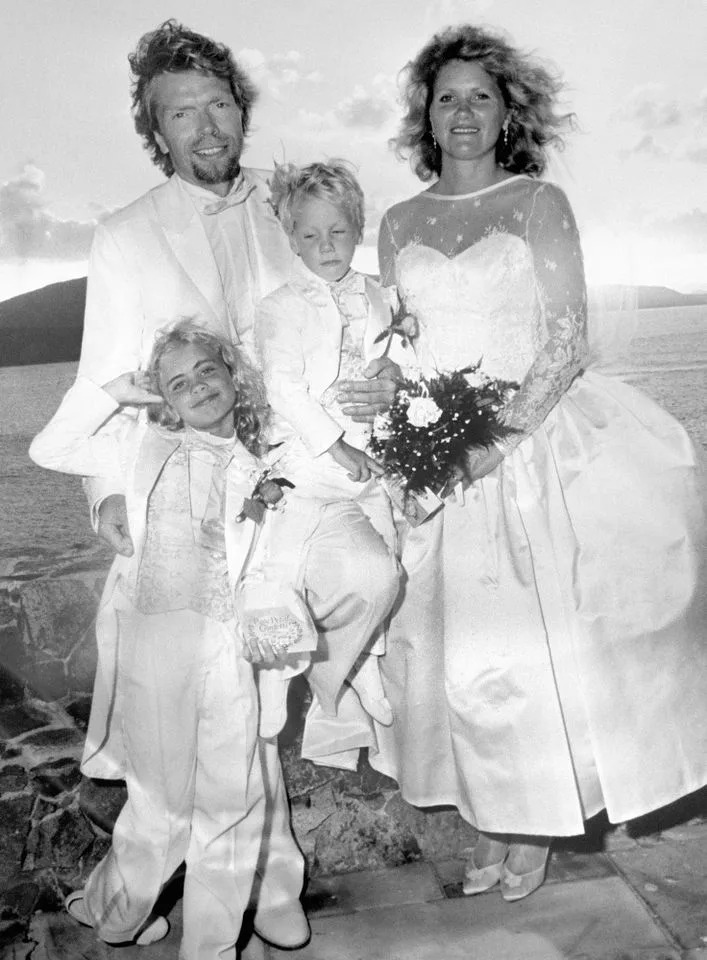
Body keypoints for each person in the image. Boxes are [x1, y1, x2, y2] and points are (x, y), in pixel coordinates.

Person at [72, 20, 396, 952]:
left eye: (219, 104)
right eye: (182, 112)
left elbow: (340, 308)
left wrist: (375, 386)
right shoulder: (125, 233)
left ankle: (258, 856)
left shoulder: (283, 205)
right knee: (204, 704)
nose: (206, 126)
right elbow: (100, 374)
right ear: (156, 128)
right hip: (185, 492)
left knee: (354, 594)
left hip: (291, 476)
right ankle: (249, 881)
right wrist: (109, 497)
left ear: (241, 111)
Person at [372, 23, 707, 903]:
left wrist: (491, 442)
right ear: (426, 114)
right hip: (433, 453)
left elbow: (563, 341)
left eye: (480, 95)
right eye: (446, 96)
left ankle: (539, 830)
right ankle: (492, 820)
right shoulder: (397, 221)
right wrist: (405, 438)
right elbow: (393, 348)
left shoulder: (535, 202)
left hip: (527, 446)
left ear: (506, 110)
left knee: (528, 656)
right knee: (455, 655)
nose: (463, 112)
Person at [29, 321, 292, 958]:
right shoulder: (139, 442)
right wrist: (116, 392)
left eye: (207, 370)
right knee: (159, 805)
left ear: (233, 372)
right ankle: (114, 916)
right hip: (154, 645)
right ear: (163, 399)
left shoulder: (274, 455)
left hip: (229, 647)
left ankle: (210, 947)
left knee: (230, 803)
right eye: (177, 382)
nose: (197, 387)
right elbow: (49, 448)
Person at [254, 160, 404, 765]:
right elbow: (283, 387)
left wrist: (393, 374)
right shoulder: (280, 305)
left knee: (387, 560)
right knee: (281, 567)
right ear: (291, 238)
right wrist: (333, 442)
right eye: (310, 236)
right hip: (308, 459)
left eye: (337, 233)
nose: (325, 247)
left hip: (371, 455)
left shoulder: (379, 294)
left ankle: (361, 658)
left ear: (357, 228)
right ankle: (275, 679)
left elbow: (397, 360)